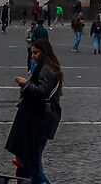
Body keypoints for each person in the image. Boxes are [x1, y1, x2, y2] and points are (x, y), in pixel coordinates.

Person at [4, 37, 60, 184]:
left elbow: (42, 92)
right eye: (32, 53)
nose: (33, 56)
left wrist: (26, 84)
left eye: (35, 53)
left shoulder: (46, 69)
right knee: (31, 159)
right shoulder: (47, 67)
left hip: (37, 120)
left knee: (32, 161)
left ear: (44, 52)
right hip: (37, 119)